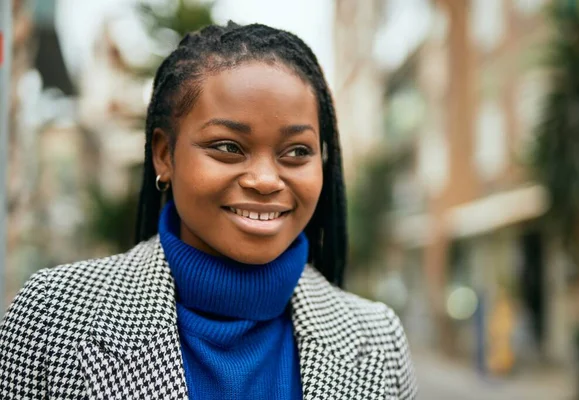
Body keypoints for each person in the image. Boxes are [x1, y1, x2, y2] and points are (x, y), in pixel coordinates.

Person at [0, 22, 417, 399]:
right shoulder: (55, 316)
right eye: (228, 147)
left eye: (296, 151)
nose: (266, 179)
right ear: (165, 156)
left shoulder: (376, 339)